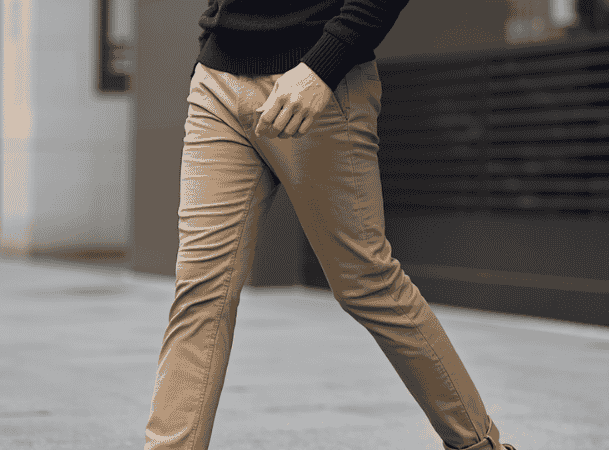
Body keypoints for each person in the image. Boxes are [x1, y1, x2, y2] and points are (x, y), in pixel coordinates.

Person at [144, 2, 517, 449]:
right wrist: (210, 46)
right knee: (200, 287)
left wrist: (322, 67)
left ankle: (479, 445)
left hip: (317, 82)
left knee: (367, 283)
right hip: (217, 84)